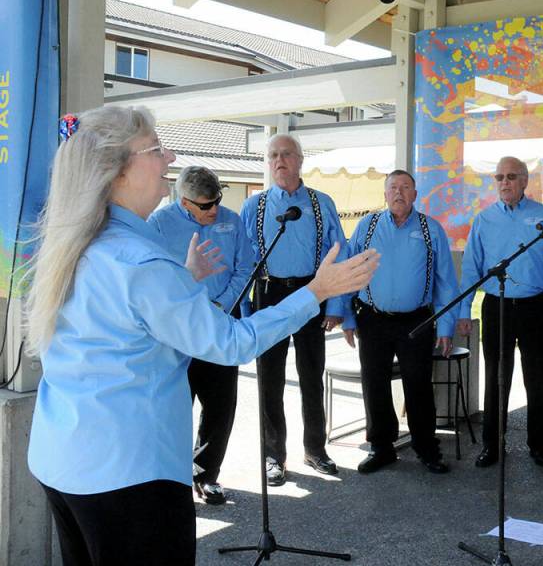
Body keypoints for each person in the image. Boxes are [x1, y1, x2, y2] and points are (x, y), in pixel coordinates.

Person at [25, 106, 378, 566]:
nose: (169, 158)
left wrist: (185, 282)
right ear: (118, 170)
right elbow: (230, 342)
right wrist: (317, 291)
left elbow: (119, 324)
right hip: (129, 475)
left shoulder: (80, 240)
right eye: (155, 149)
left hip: (66, 463)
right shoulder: (141, 261)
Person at [240, 133, 348, 486]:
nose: (279, 160)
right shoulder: (253, 206)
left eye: (286, 154)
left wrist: (336, 304)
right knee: (269, 380)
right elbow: (242, 262)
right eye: (272, 155)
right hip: (269, 293)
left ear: (301, 160)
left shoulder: (322, 203)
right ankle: (273, 457)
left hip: (311, 292)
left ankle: (315, 449)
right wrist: (246, 310)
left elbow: (340, 255)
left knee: (311, 375)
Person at [457, 156, 543, 468]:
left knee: (536, 378)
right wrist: (463, 311)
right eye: (499, 177)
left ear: (525, 181)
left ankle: (539, 446)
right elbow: (470, 269)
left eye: (511, 177)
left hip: (534, 306)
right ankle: (492, 446)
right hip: (496, 306)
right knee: (497, 377)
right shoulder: (483, 220)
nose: (504, 182)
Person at [343, 170, 459, 475]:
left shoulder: (430, 228)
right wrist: (345, 316)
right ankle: (381, 448)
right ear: (384, 194)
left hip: (417, 321)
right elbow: (349, 270)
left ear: (415, 194)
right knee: (375, 384)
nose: (399, 193)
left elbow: (446, 282)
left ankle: (426, 448)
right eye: (393, 187)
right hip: (372, 319)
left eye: (405, 187)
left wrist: (446, 327)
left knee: (418, 384)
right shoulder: (367, 226)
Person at [149, 166, 253, 505]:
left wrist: (222, 305)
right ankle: (173, 478)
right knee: (176, 406)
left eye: (216, 202)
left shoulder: (232, 220)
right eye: (205, 206)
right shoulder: (160, 224)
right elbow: (154, 279)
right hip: (179, 332)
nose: (213, 211)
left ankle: (206, 475)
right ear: (184, 201)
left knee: (221, 406)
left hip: (221, 325)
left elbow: (245, 268)